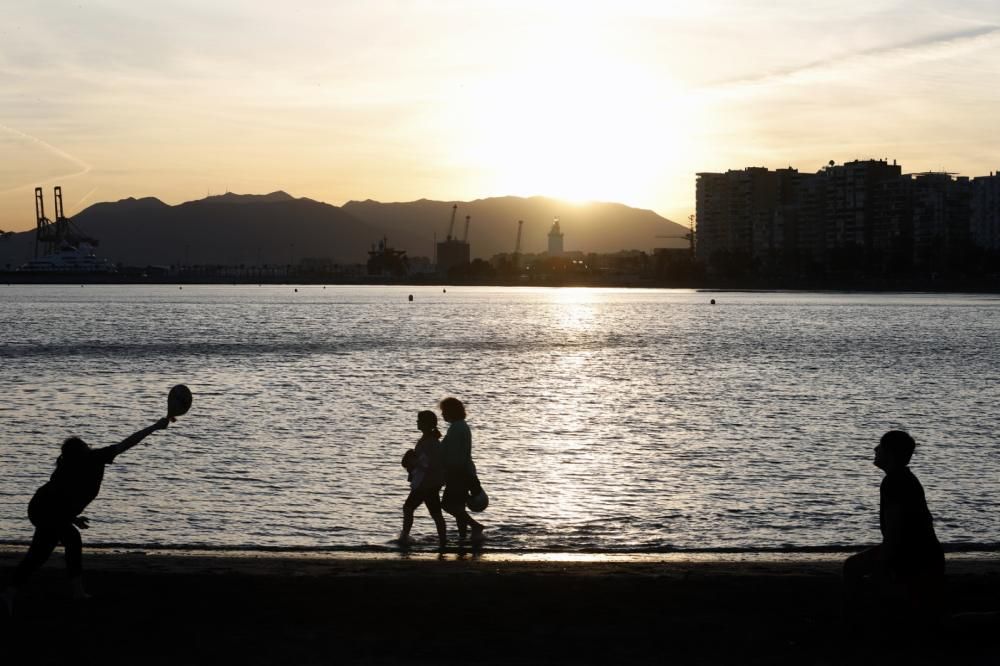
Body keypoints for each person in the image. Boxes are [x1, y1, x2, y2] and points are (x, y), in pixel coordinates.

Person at [1, 417, 171, 614]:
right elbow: (129, 442)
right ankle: (77, 593)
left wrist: (71, 519)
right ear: (81, 451)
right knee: (69, 541)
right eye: (86, 445)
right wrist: (155, 427)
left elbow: (60, 500)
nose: (89, 447)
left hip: (42, 508)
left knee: (39, 554)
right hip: (45, 510)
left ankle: (8, 595)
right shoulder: (93, 459)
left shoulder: (69, 466)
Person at [843, 430, 944, 621]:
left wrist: (883, 563)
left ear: (889, 453)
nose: (875, 449)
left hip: (913, 554)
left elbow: (895, 530)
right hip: (921, 552)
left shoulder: (894, 481)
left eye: (880, 445)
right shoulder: (904, 478)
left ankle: (854, 619)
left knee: (852, 567)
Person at [399, 410, 447, 549]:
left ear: (426, 424)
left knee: (410, 508)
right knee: (434, 513)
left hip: (427, 484)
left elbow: (429, 464)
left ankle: (405, 537)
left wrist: (413, 462)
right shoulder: (427, 440)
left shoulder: (430, 442)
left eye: (419, 420)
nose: (417, 422)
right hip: (428, 483)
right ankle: (442, 541)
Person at [439, 397, 484, 541]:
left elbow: (454, 454)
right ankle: (463, 537)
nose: (442, 415)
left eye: (444, 411)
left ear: (451, 411)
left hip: (458, 472)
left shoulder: (457, 428)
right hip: (463, 470)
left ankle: (475, 526)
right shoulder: (460, 426)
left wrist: (448, 472)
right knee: (459, 506)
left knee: (447, 505)